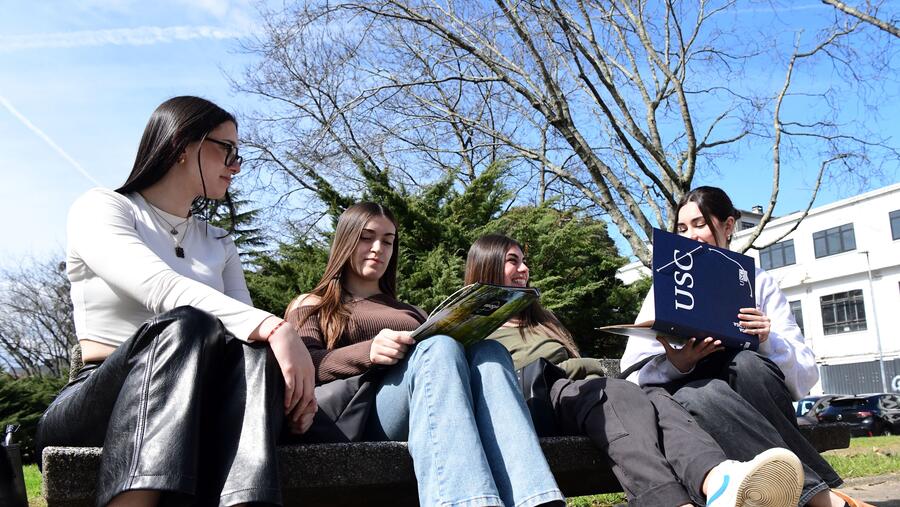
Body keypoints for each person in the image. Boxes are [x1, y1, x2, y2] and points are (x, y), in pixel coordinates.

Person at [35, 96, 317, 507]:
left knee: (253, 353)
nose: (236, 165)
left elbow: (243, 338)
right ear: (183, 145)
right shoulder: (102, 207)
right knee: (189, 324)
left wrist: (293, 394)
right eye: (227, 149)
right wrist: (276, 325)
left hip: (201, 402)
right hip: (98, 401)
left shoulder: (219, 241)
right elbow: (159, 288)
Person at [466, 233, 806, 507]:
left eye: (524, 261)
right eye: (513, 261)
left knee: (657, 396)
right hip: (536, 400)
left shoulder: (542, 319)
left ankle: (718, 480)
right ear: (488, 266)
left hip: (581, 395)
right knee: (612, 392)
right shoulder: (475, 327)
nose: (524, 269)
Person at [284, 202, 564, 507]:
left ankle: (537, 500)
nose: (378, 248)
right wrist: (369, 351)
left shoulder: (413, 312)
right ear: (345, 240)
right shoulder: (313, 302)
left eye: (388, 241)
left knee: (489, 350)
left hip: (434, 408)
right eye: (367, 237)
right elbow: (305, 364)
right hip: (359, 415)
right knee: (439, 346)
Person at [620, 186, 871, 507]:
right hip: (692, 398)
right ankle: (825, 498)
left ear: (728, 226)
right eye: (682, 229)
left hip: (756, 396)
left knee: (749, 366)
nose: (691, 235)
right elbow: (632, 374)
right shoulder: (667, 284)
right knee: (701, 394)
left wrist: (769, 338)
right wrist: (678, 362)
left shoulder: (757, 280)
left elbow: (804, 378)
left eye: (700, 224)